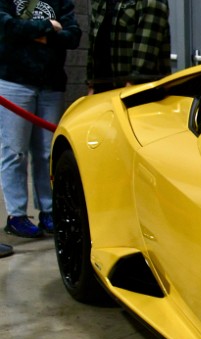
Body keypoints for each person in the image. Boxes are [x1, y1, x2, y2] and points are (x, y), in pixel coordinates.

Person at [0, 0, 80, 239]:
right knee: (15, 152)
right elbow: (6, 27)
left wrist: (34, 34)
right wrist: (48, 26)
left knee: (47, 153)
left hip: (51, 85)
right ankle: (17, 215)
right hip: (14, 82)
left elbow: (73, 35)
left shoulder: (62, 1)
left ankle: (48, 211)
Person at [86, 0, 171, 93]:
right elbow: (93, 44)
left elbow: (147, 47)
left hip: (140, 94)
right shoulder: (100, 2)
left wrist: (132, 85)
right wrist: (91, 85)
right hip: (104, 91)